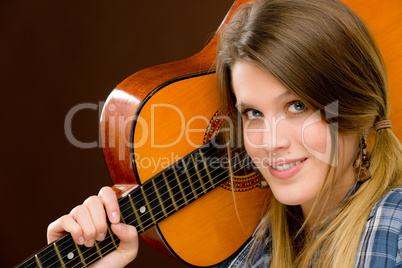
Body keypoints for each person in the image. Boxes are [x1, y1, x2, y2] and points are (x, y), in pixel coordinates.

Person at [47, 0, 402, 267]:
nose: (270, 141)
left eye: (297, 106)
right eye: (253, 113)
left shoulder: (393, 225)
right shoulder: (262, 247)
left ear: (359, 106)